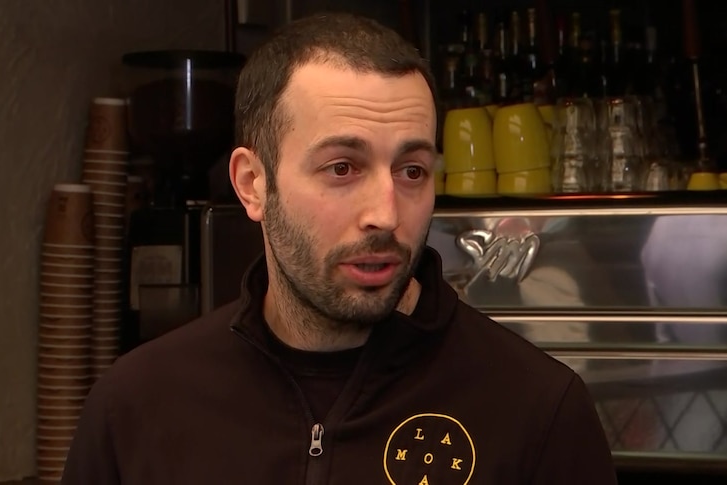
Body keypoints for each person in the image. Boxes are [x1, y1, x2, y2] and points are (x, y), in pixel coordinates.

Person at [62, 12, 617, 485]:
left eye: (412, 170)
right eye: (342, 168)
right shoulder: (136, 406)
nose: (386, 212)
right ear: (253, 183)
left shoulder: (537, 410)